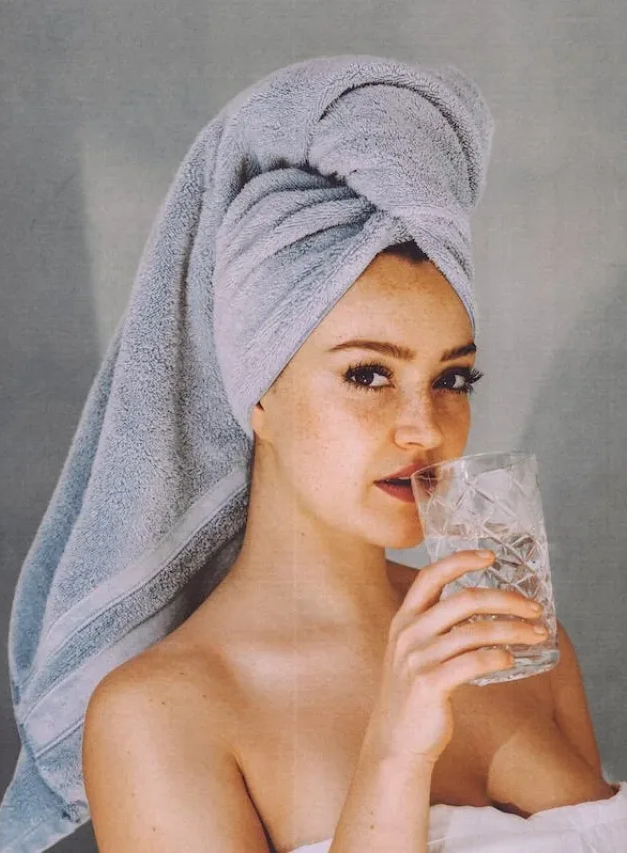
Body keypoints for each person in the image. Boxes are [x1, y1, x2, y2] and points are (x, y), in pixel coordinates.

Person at [81, 239, 618, 852]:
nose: (425, 427)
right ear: (257, 391)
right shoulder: (157, 714)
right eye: (368, 374)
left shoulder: (510, 638)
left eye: (452, 378)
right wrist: (394, 757)